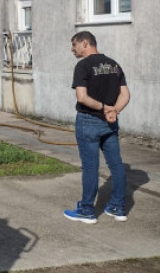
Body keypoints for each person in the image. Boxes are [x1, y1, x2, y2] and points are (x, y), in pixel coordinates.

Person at [64, 31, 130, 224]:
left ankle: (86, 211)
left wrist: (104, 108)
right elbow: (125, 95)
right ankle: (118, 207)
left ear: (85, 43)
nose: (72, 48)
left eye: (74, 44)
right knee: (116, 165)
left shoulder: (83, 65)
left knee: (90, 167)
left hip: (89, 121)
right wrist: (114, 110)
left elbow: (82, 97)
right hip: (110, 122)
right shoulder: (114, 65)